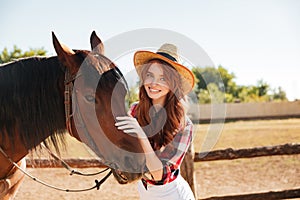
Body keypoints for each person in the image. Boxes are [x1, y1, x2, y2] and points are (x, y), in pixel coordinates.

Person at [115, 43, 195, 200]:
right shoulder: (135, 110)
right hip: (144, 191)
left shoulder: (184, 126)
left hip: (171, 194)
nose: (153, 83)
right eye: (150, 75)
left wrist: (141, 135)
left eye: (163, 78)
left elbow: (159, 175)